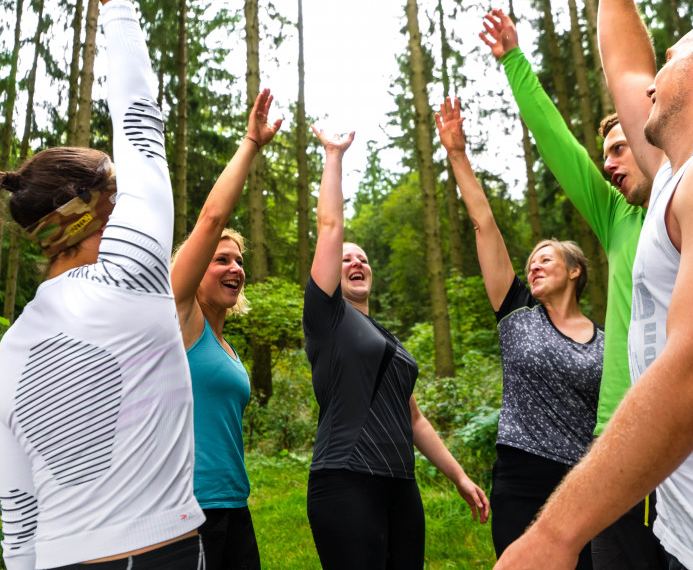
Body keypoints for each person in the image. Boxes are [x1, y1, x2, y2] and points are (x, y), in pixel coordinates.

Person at [493, 0, 693, 568]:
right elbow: (624, 62)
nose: (652, 77)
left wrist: (554, 535)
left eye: (672, 57)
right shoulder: (681, 175)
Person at [0, 0, 206, 568]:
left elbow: (16, 505)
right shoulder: (134, 270)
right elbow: (141, 117)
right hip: (156, 552)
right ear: (103, 207)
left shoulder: (12, 347)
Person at [480, 9, 666, 569]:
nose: (608, 164)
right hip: (619, 444)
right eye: (604, 153)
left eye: (619, 148)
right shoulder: (617, 216)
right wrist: (513, 61)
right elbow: (556, 142)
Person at [302, 127, 489, 570]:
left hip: (399, 483)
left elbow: (414, 417)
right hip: (346, 479)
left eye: (363, 258)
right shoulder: (327, 319)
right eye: (346, 258)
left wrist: (459, 476)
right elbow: (330, 226)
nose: (356, 262)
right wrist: (333, 157)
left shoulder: (387, 338)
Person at [435, 98, 602, 567]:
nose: (534, 263)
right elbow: (484, 225)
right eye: (530, 261)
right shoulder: (517, 314)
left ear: (575, 272)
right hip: (521, 477)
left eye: (546, 257)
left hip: (583, 483)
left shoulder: (608, 340)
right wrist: (457, 154)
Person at [170, 89, 282, 569]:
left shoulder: (226, 347)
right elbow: (212, 219)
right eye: (221, 259)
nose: (235, 268)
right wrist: (250, 144)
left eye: (239, 260)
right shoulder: (182, 320)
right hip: (187, 510)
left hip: (234, 505)